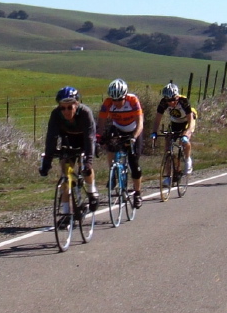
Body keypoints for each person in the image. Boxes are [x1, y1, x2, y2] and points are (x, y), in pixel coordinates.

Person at [40, 86, 98, 226]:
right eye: (62, 108)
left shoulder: (85, 113)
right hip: (68, 140)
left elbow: (90, 138)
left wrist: (88, 162)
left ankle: (91, 191)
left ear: (76, 105)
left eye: (69, 107)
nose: (66, 111)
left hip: (85, 140)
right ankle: (67, 214)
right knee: (66, 176)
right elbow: (51, 138)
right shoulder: (55, 115)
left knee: (86, 168)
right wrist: (47, 162)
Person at [97, 78, 147, 209]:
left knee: (134, 162)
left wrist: (134, 137)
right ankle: (113, 174)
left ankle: (137, 193)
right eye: (114, 100)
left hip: (134, 130)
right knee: (110, 146)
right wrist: (99, 138)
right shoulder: (107, 103)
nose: (117, 102)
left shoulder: (133, 101)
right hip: (118, 128)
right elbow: (101, 123)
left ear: (125, 96)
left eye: (119, 99)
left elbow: (140, 123)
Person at [150, 82, 196, 176]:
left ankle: (187, 160)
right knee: (168, 146)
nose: (171, 103)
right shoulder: (163, 103)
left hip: (188, 120)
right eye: (168, 101)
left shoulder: (184, 101)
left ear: (177, 97)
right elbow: (157, 119)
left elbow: (191, 122)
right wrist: (154, 132)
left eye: (173, 100)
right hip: (175, 121)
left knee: (184, 140)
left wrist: (187, 134)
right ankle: (169, 175)